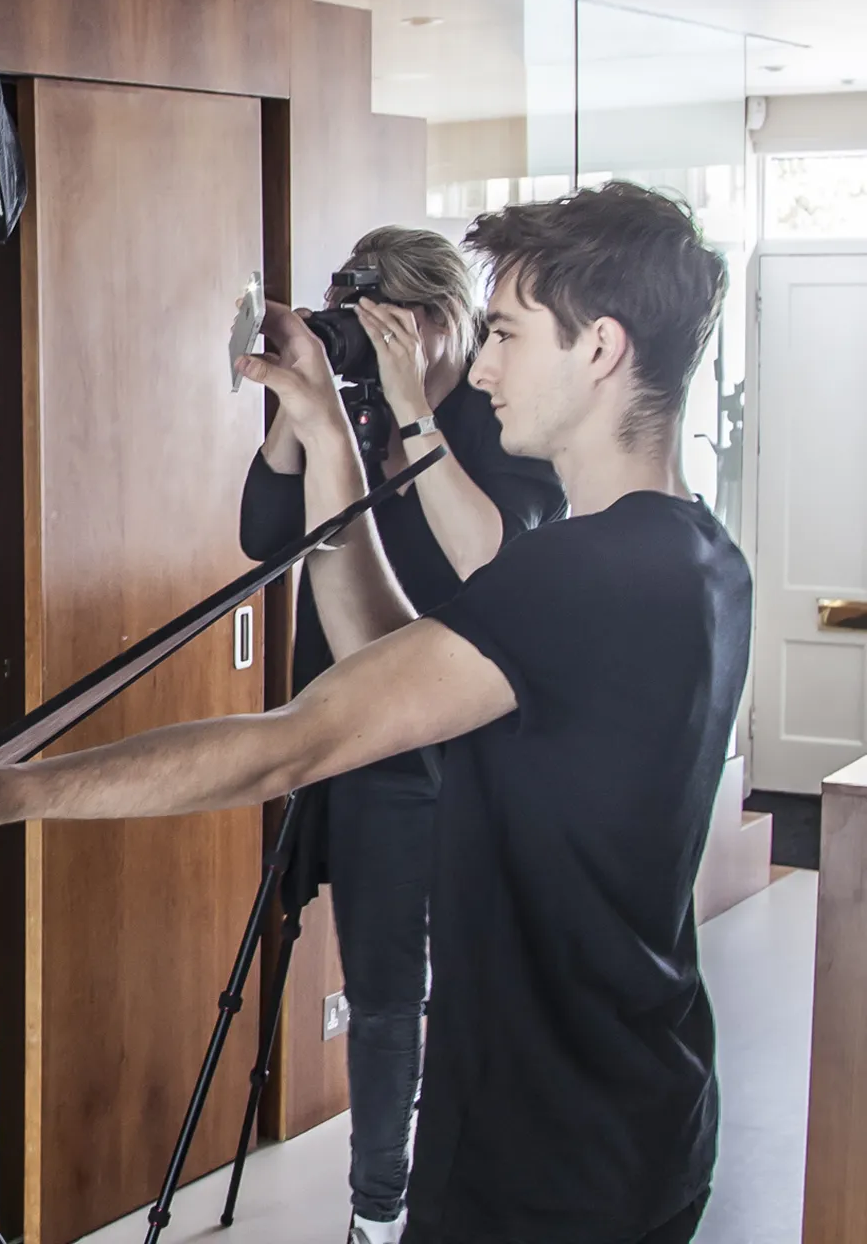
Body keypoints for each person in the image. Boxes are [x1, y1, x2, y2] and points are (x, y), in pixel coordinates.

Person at [0, 183, 746, 1244]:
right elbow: (375, 657)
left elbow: (293, 741)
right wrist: (318, 429)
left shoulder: (582, 578)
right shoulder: (692, 555)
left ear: (599, 350)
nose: (480, 366)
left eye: (502, 333)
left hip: (548, 1154)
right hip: (632, 1111)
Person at [240, 228, 564, 1244]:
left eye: (384, 328)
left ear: (435, 323)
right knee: (376, 984)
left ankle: (394, 1204)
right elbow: (263, 539)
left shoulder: (490, 422)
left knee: (425, 989)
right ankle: (374, 1207)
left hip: (445, 749)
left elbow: (494, 569)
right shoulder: (358, 413)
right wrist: (303, 411)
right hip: (346, 733)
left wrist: (415, 413)